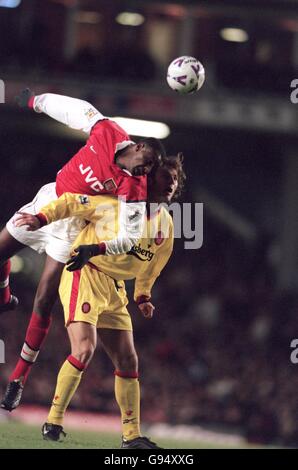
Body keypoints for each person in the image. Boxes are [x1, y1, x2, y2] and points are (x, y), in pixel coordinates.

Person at [0, 89, 166, 406]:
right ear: (139, 147)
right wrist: (34, 100)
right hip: (49, 202)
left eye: (151, 170)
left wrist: (98, 247)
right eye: (147, 164)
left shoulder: (134, 188)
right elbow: (74, 110)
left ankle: (18, 378)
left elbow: (130, 236)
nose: (146, 172)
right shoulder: (107, 131)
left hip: (73, 225)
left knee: (45, 298)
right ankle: (5, 298)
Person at [7, 155, 185, 449]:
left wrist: (142, 295)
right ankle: (53, 419)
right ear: (151, 179)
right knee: (85, 349)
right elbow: (74, 202)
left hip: (115, 289)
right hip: (86, 274)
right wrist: (42, 217)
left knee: (129, 360)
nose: (172, 184)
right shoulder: (118, 203)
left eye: (175, 180)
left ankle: (131, 436)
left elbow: (154, 264)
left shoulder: (165, 224)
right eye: (166, 177)